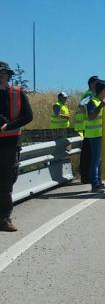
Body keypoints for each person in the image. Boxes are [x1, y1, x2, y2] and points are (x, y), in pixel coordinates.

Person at [0, 62, 33, 231]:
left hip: (10, 145)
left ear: (8, 75)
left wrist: (9, 125)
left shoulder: (17, 93)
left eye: (3, 73)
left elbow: (28, 116)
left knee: (6, 183)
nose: (1, 76)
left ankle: (4, 218)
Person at [85, 80, 105, 193]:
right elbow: (91, 116)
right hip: (94, 135)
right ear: (102, 91)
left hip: (100, 135)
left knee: (99, 160)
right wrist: (100, 106)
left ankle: (99, 182)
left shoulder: (101, 101)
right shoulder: (93, 102)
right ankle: (95, 185)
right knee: (95, 160)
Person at [76, 75, 99, 184]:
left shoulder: (92, 94)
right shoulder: (89, 94)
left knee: (88, 153)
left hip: (87, 127)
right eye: (96, 83)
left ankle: (86, 176)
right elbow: (82, 104)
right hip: (87, 127)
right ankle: (85, 176)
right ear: (91, 84)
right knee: (88, 154)